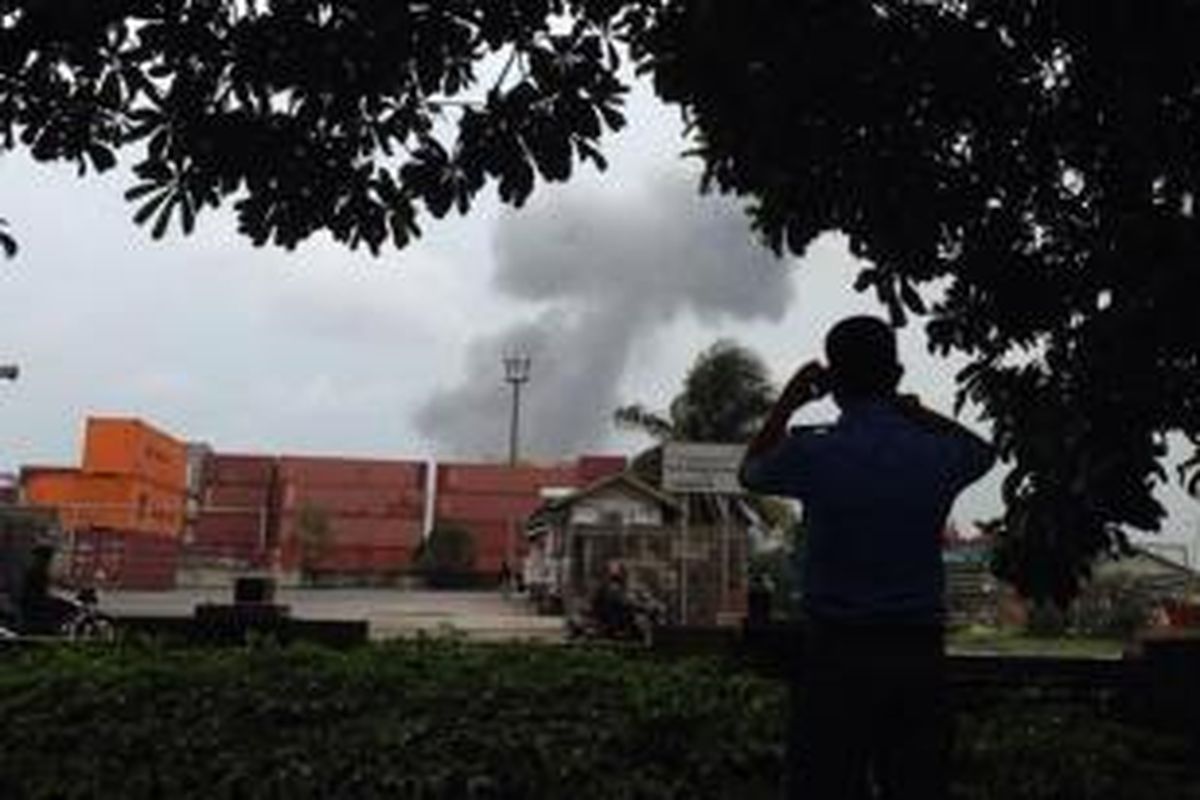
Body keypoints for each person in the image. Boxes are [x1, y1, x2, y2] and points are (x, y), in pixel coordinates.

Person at [740, 316, 995, 800]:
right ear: (897, 375)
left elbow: (751, 472)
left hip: (835, 654)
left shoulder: (814, 453)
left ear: (832, 382)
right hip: (917, 653)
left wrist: (788, 402)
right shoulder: (934, 454)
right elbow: (982, 451)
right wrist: (916, 414)